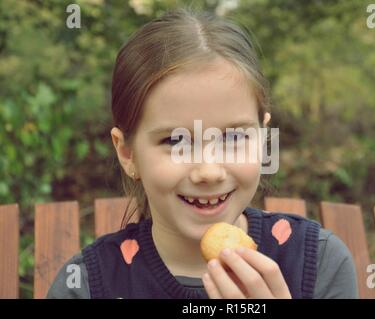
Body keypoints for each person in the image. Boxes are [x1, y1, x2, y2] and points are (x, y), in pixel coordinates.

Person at [47, 8, 358, 299]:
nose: (209, 171)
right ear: (128, 153)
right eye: (175, 141)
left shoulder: (319, 265)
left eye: (234, 136)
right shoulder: (85, 285)